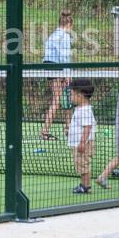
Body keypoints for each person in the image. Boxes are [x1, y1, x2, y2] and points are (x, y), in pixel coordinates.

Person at [40, 10, 74, 141]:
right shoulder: (65, 37)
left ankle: (68, 127)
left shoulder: (52, 35)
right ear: (69, 24)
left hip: (49, 66)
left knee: (67, 96)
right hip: (57, 67)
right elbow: (64, 56)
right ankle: (45, 131)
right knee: (57, 100)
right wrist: (67, 74)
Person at [67, 78, 97, 194]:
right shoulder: (80, 109)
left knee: (83, 164)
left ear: (79, 95)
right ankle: (83, 184)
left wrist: (82, 143)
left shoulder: (84, 110)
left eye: (72, 94)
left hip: (82, 144)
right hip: (79, 143)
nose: (70, 97)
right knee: (81, 164)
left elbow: (88, 127)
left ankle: (86, 186)